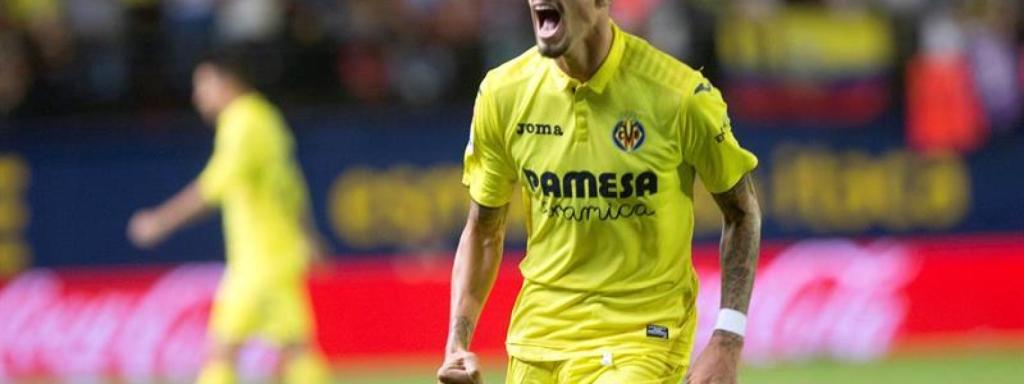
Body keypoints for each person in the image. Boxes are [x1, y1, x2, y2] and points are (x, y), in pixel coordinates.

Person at [436, 0, 761, 383]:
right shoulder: (503, 93)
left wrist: (727, 338)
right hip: (538, 339)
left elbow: (742, 214)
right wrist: (456, 344)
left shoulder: (679, 95)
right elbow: (483, 231)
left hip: (641, 339)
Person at [127, 53, 330, 384]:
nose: (197, 95)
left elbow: (213, 186)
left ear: (227, 82)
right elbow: (291, 188)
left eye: (203, 85)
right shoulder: (266, 117)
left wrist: (159, 221)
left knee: (221, 352)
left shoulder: (241, 122)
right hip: (281, 254)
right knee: (296, 350)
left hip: (257, 261)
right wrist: (307, 236)